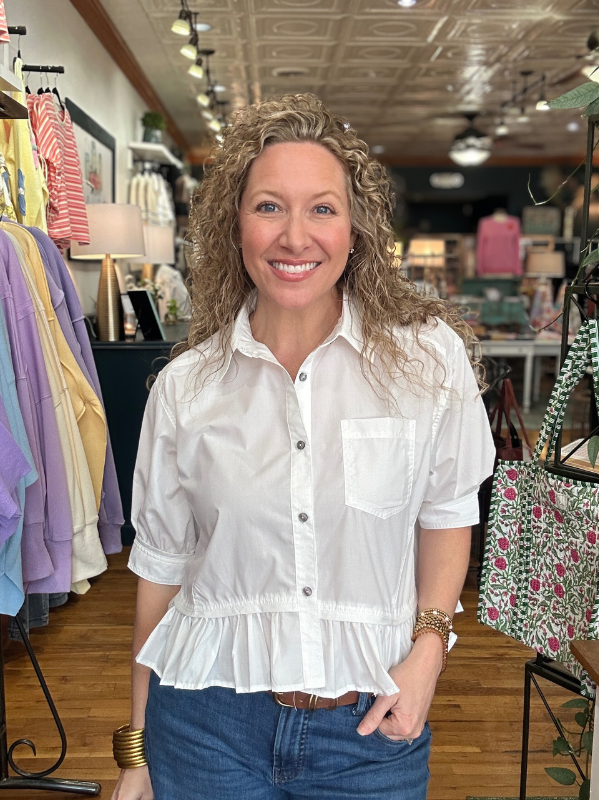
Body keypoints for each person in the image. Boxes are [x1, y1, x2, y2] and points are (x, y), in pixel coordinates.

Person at [112, 93, 495, 800]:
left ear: (356, 229)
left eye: (321, 208)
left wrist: (428, 655)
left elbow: (446, 511)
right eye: (268, 207)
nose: (295, 236)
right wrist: (136, 754)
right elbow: (161, 573)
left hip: (370, 727)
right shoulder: (187, 390)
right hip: (204, 724)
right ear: (235, 225)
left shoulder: (424, 361)